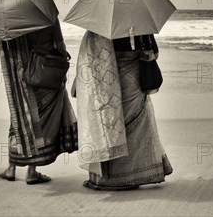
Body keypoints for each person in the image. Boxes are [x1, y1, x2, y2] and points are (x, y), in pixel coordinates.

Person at [73, 31, 172, 190]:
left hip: (106, 83)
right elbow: (155, 52)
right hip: (133, 79)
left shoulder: (99, 25)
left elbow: (89, 58)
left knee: (107, 125)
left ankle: (104, 178)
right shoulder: (139, 21)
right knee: (136, 124)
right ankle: (133, 176)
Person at [0, 19, 79, 184]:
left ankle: (11, 169)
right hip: (46, 74)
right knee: (41, 122)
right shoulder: (47, 15)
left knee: (20, 117)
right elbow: (60, 47)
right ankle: (32, 171)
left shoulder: (10, 20)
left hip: (21, 79)